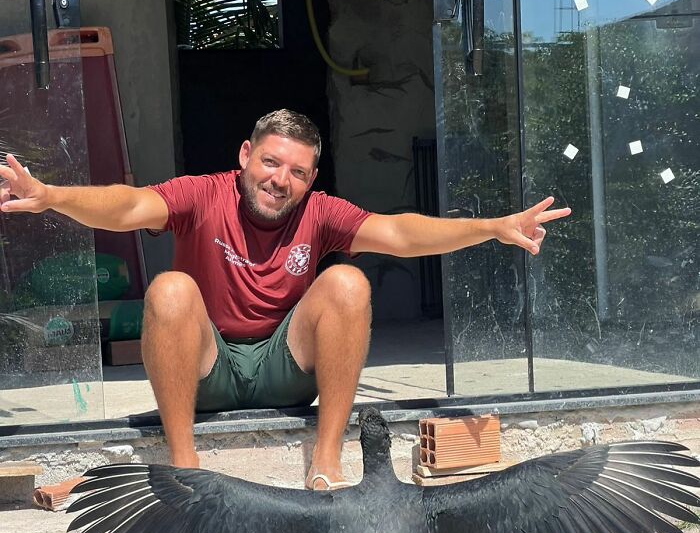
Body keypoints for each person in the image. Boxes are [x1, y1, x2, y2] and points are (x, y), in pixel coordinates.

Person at [0, 109, 570, 489]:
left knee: (348, 283)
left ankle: (326, 460)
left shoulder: (320, 212)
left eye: (297, 171)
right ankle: (185, 466)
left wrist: (491, 228)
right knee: (170, 289)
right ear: (245, 155)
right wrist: (50, 196)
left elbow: (399, 233)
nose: (280, 179)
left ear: (312, 178)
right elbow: (127, 206)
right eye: (270, 162)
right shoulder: (201, 195)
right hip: (207, 369)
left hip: (284, 367)